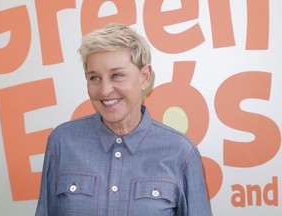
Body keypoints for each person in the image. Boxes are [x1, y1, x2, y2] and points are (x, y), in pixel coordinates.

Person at [35, 23, 212, 216]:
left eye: (117, 75)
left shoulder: (181, 151)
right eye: (94, 78)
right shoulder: (61, 142)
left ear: (144, 77)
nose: (104, 90)